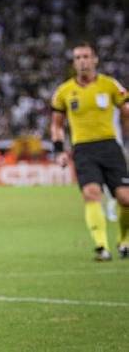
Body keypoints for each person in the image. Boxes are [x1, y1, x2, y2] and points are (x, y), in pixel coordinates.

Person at [50, 41, 129, 261]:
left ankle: (124, 241)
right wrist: (59, 150)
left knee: (125, 198)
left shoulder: (110, 85)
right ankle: (102, 246)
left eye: (86, 56)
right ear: (74, 63)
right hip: (83, 149)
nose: (82, 61)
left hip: (110, 146)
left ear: (95, 60)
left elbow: (126, 111)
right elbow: (56, 124)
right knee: (91, 193)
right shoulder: (64, 91)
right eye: (78, 58)